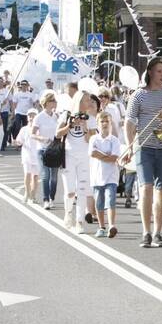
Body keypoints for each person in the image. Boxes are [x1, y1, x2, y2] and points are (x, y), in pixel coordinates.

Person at [123, 58, 162, 248]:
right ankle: (146, 232)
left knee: (161, 190)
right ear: (150, 72)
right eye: (159, 71)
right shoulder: (138, 95)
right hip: (144, 146)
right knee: (146, 187)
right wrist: (129, 145)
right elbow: (130, 121)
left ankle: (157, 233)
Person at [57, 92, 97, 234]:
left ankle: (79, 221)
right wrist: (70, 125)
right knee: (70, 191)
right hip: (68, 156)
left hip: (84, 157)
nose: (89, 103)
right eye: (87, 100)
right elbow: (57, 134)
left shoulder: (91, 119)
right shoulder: (66, 115)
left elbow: (90, 139)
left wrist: (85, 126)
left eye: (90, 101)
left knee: (82, 190)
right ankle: (68, 213)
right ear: (79, 101)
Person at [89, 112, 122, 238]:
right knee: (99, 202)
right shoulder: (94, 138)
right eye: (102, 122)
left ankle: (112, 225)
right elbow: (92, 153)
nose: (104, 124)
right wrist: (106, 155)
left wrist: (101, 154)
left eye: (107, 121)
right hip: (97, 176)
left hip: (111, 176)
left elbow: (114, 158)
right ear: (98, 124)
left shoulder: (114, 140)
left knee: (111, 200)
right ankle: (101, 227)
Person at [31, 91, 59, 210]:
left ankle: (52, 198)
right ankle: (46, 199)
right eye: (53, 101)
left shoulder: (56, 116)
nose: (55, 103)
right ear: (47, 103)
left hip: (55, 150)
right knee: (45, 175)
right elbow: (32, 134)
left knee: (54, 177)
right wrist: (42, 138)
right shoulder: (39, 117)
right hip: (42, 149)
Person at [17, 108, 42, 204]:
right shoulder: (24, 129)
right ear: (27, 117)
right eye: (30, 115)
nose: (31, 117)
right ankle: (27, 193)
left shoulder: (39, 129)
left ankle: (33, 195)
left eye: (33, 115)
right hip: (26, 155)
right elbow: (19, 140)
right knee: (27, 174)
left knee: (35, 176)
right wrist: (17, 142)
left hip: (37, 155)